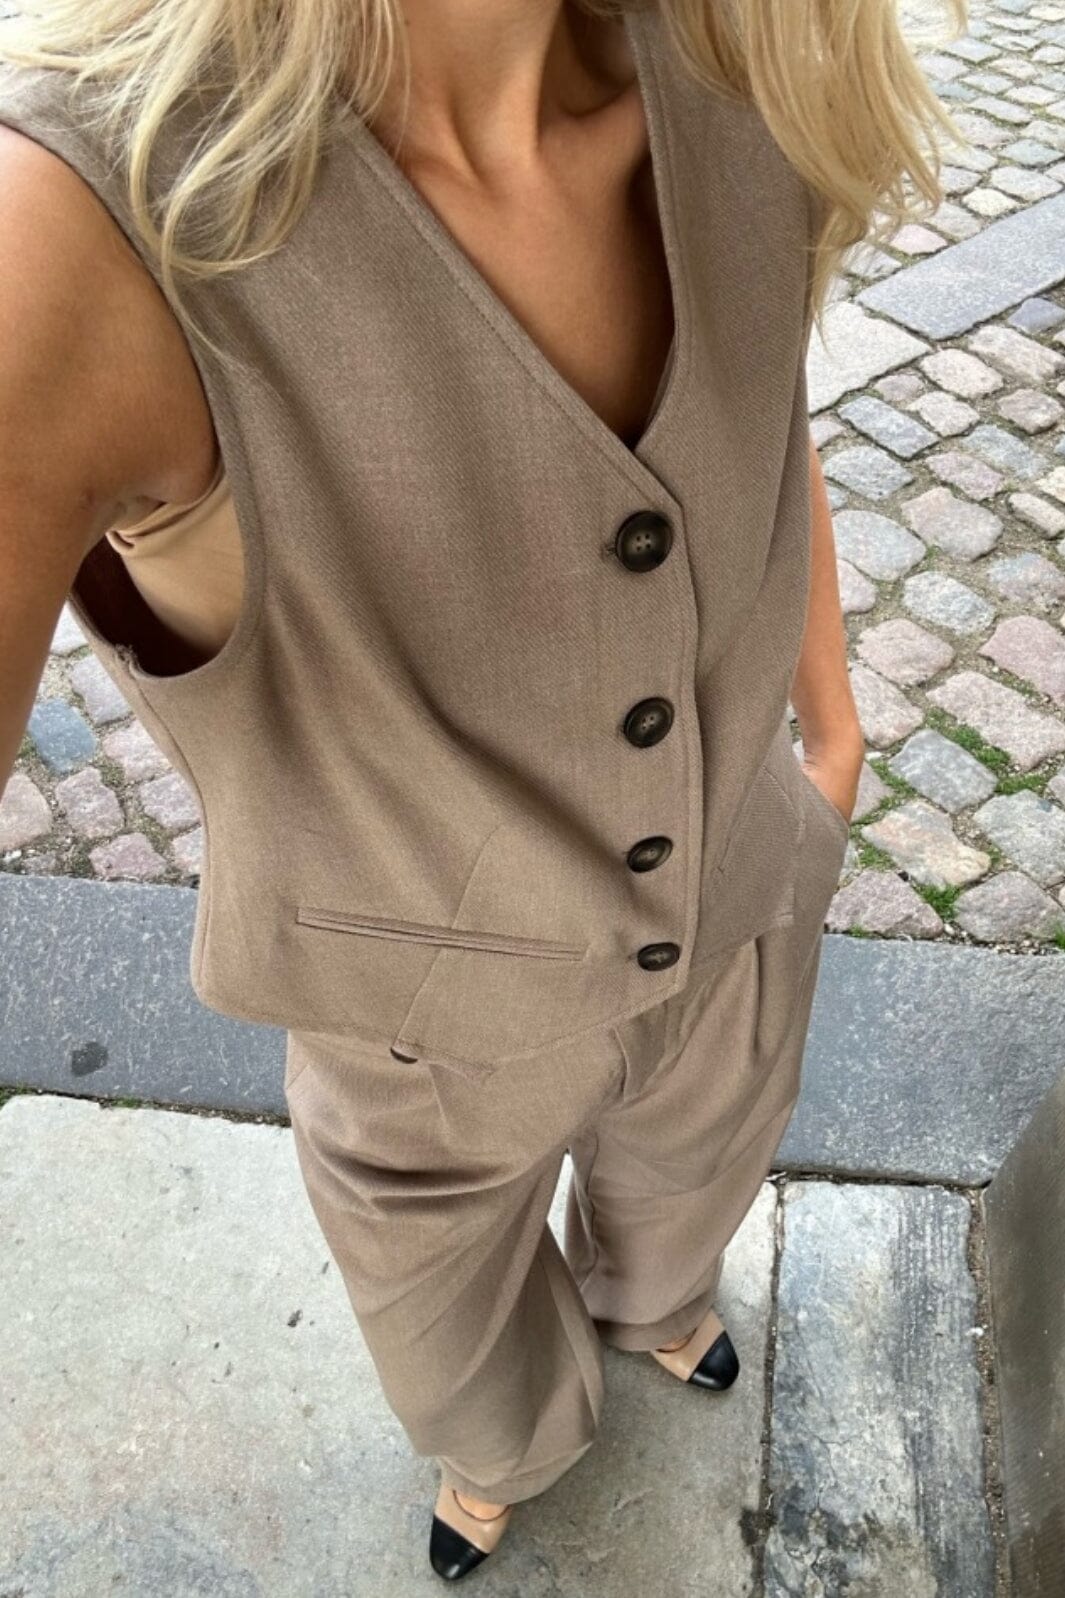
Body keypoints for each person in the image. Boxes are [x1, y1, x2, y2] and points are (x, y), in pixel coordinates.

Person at [0, 0, 966, 1581]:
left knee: (699, 1169)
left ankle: (654, 1304)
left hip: (738, 900)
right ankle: (504, 1447)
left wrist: (828, 733)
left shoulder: (744, 73)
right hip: (421, 1031)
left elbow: (758, 412)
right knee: (448, 1318)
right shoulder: (87, 226)